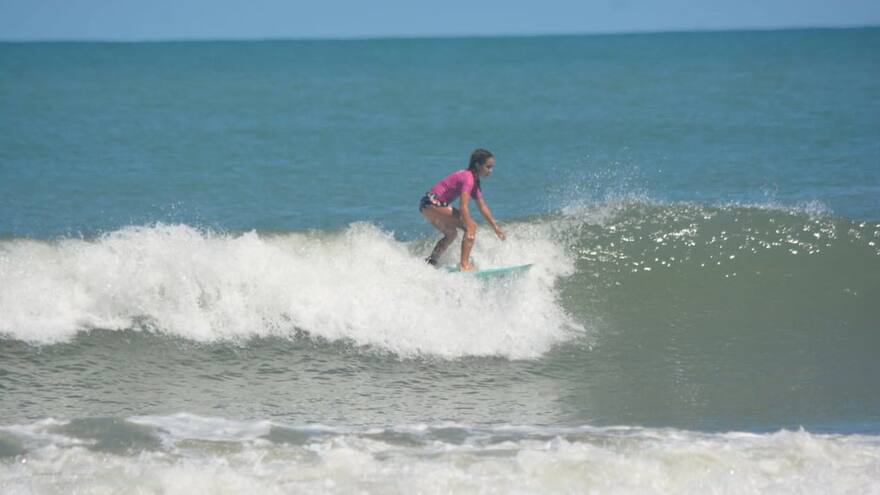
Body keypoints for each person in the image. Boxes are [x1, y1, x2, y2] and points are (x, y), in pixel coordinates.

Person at [419, 148, 506, 271]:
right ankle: (464, 265)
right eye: (488, 167)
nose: (490, 171)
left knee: (451, 234)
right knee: (472, 226)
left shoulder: (474, 181)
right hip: (433, 202)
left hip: (426, 204)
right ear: (477, 165)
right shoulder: (468, 178)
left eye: (492, 167)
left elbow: (482, 206)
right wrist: (469, 223)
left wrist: (495, 227)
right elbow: (463, 205)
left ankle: (430, 262)